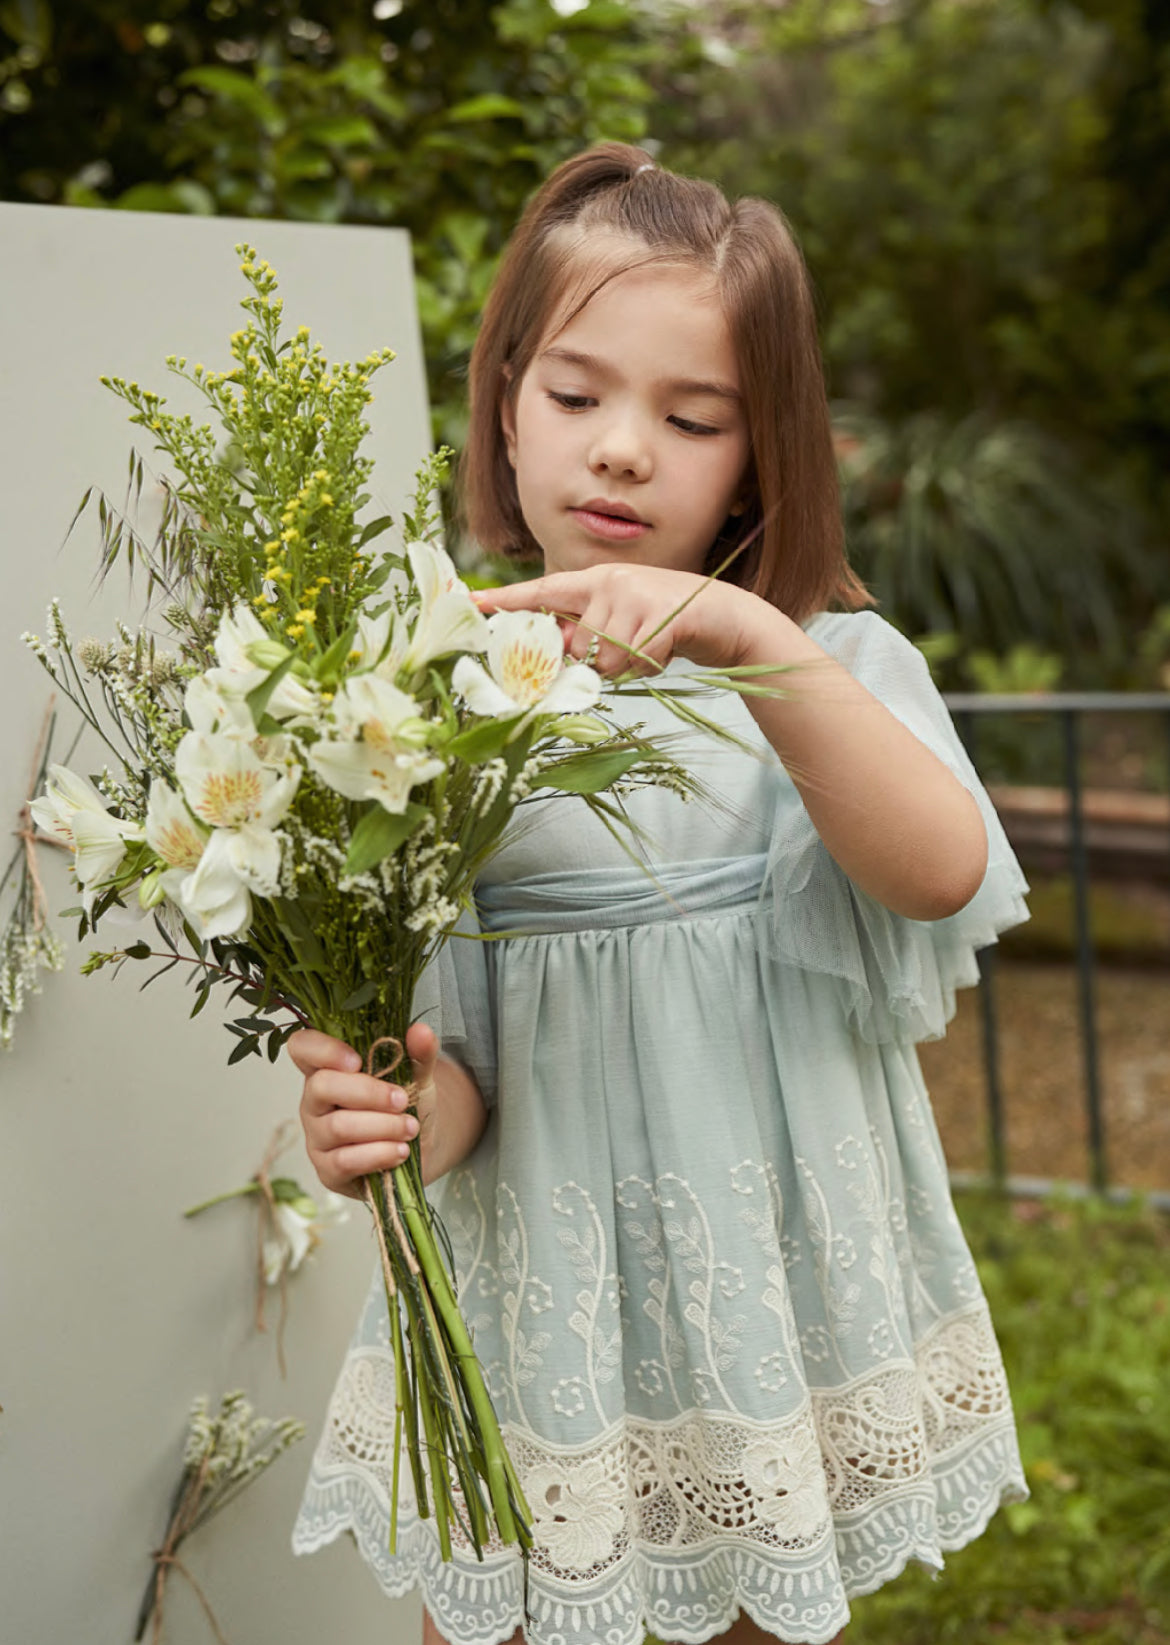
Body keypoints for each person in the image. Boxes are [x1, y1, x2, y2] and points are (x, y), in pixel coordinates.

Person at [289, 142, 1029, 1645]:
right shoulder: (430, 704)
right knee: (488, 1616)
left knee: (752, 1615)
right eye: (574, 397)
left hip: (762, 1303)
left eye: (691, 419)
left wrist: (750, 641)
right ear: (503, 402)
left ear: (761, 455)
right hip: (541, 1300)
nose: (622, 450)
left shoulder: (820, 666)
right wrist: (380, 1119)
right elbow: (462, 1075)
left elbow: (936, 865)